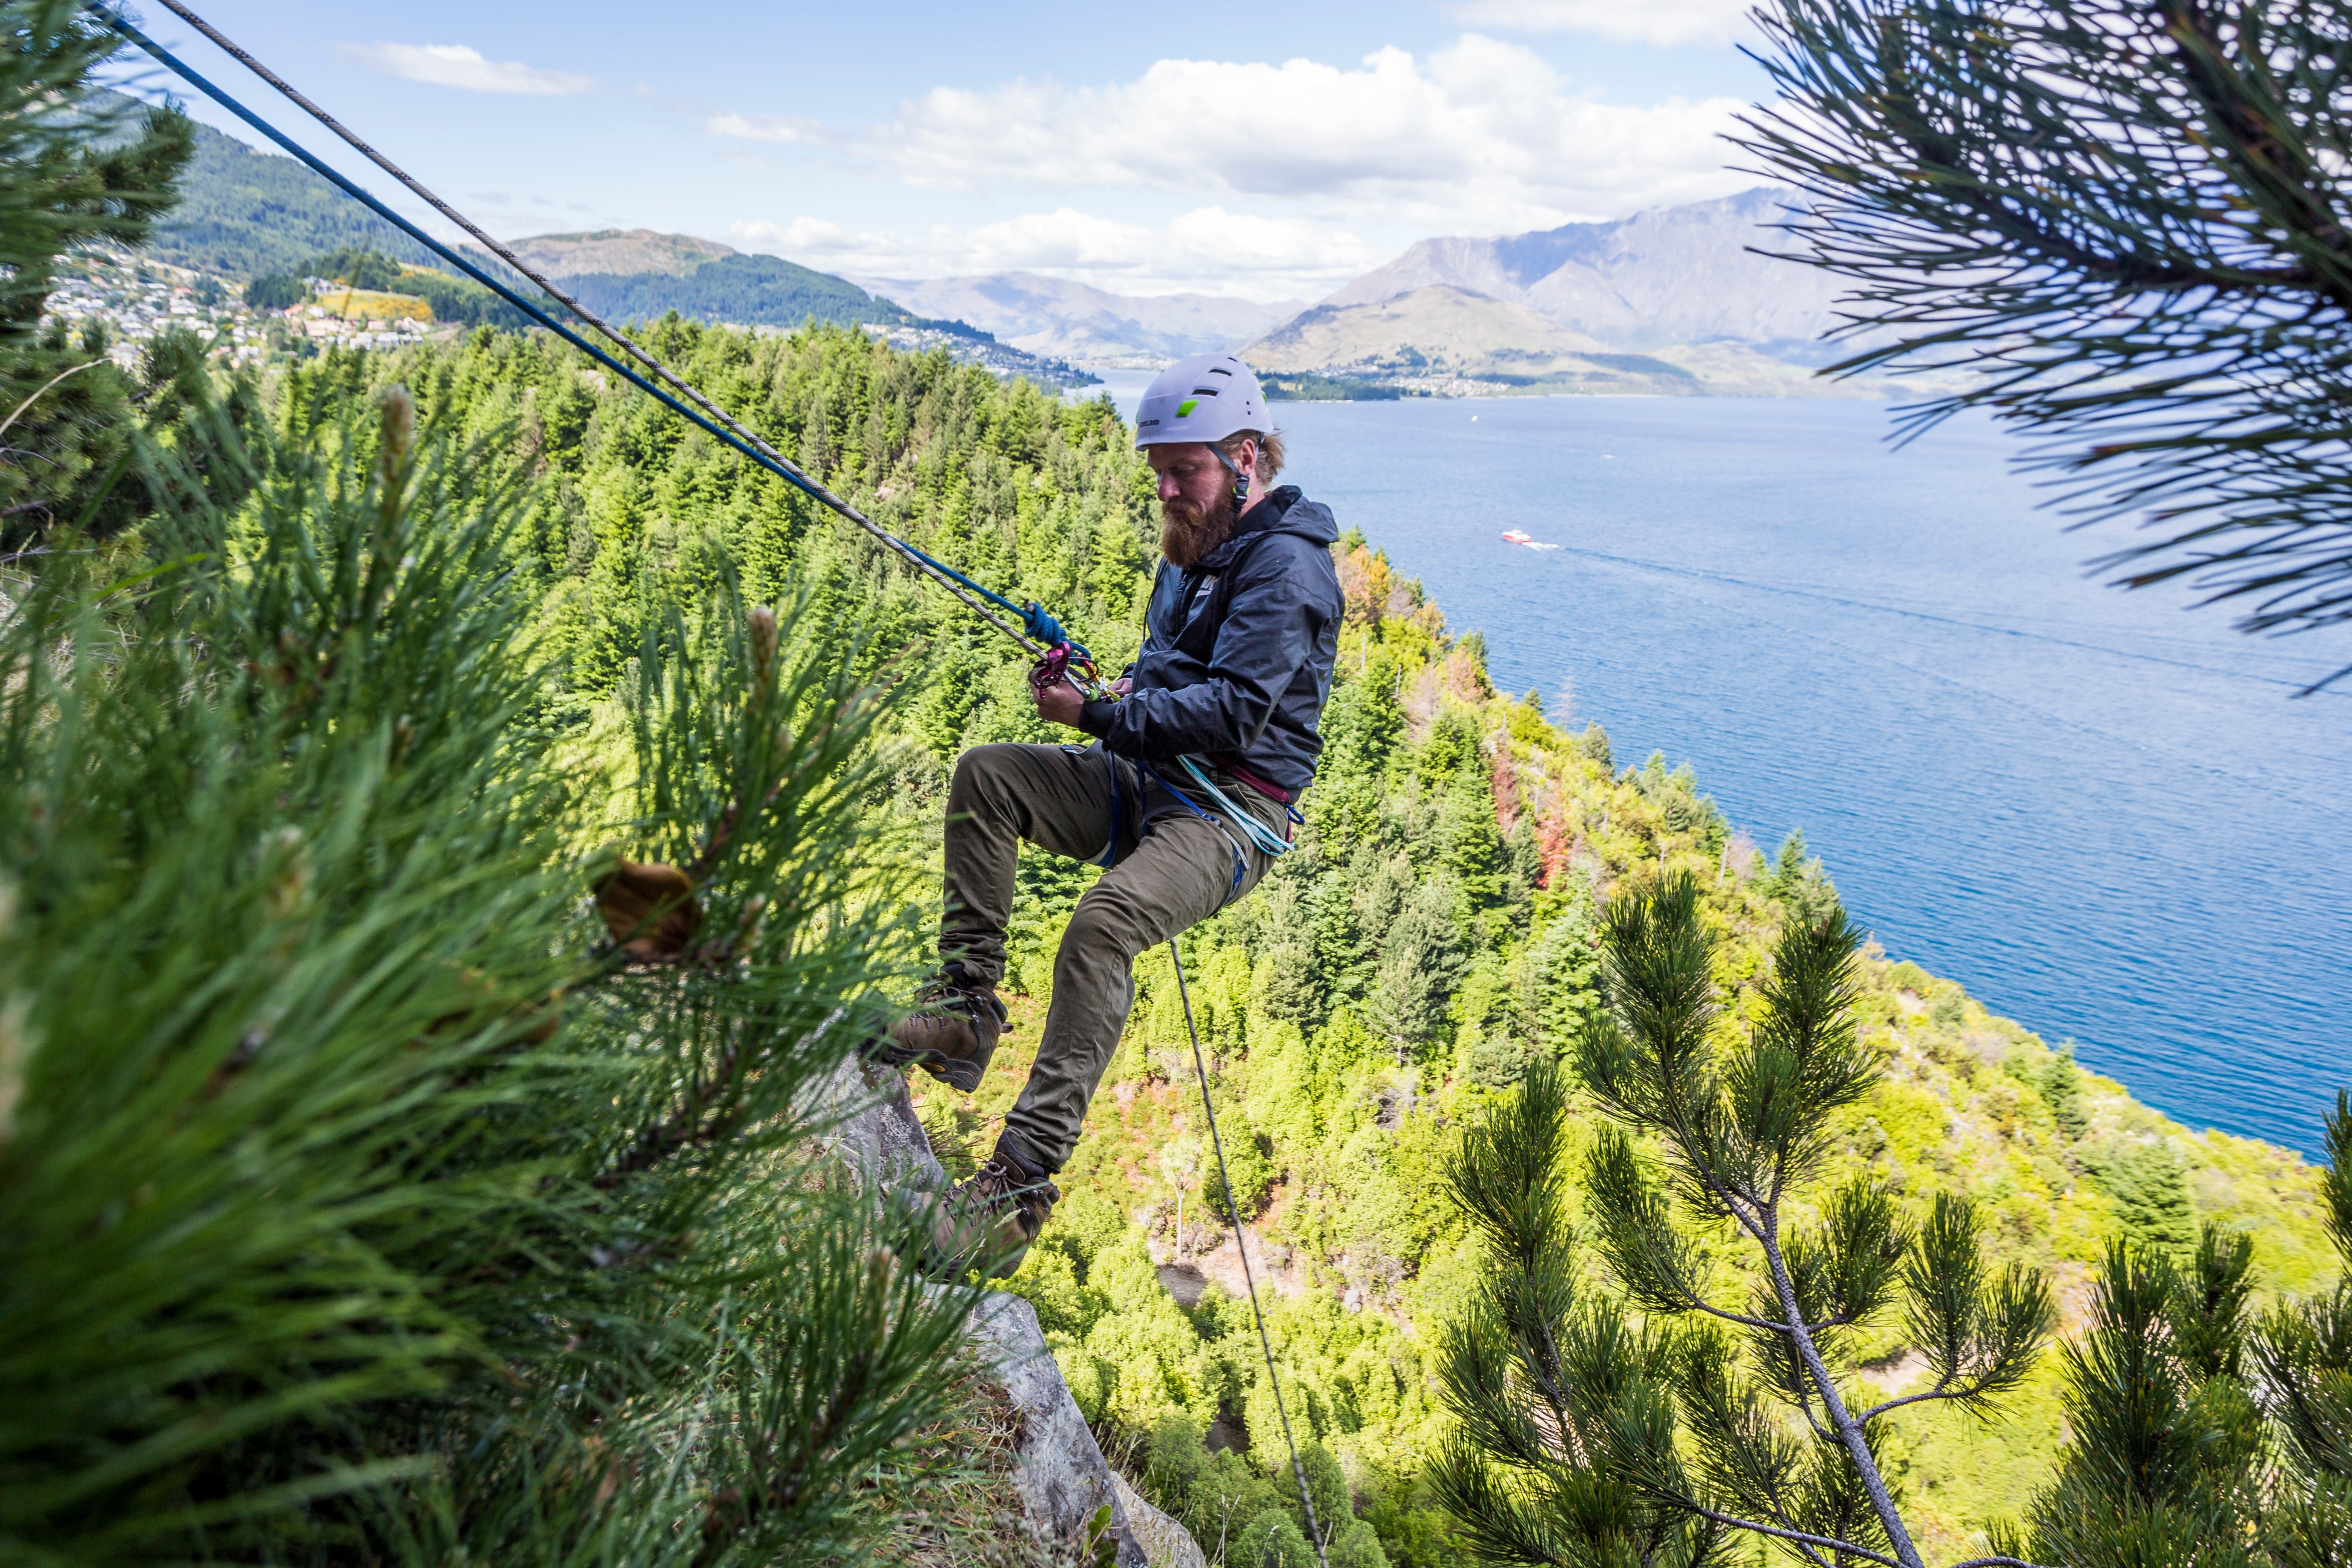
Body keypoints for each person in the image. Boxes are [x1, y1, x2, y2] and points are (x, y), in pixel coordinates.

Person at [883, 352, 1344, 1277]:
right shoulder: (1194, 548)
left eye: (1188, 468)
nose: (1169, 487)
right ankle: (966, 1010)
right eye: (1160, 470)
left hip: (1226, 818)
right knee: (990, 777)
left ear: (1246, 457)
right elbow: (1180, 677)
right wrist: (1122, 688)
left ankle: (1015, 1192)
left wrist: (1097, 713)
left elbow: (1232, 713)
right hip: (1150, 775)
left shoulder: (1287, 570)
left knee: (1102, 927)